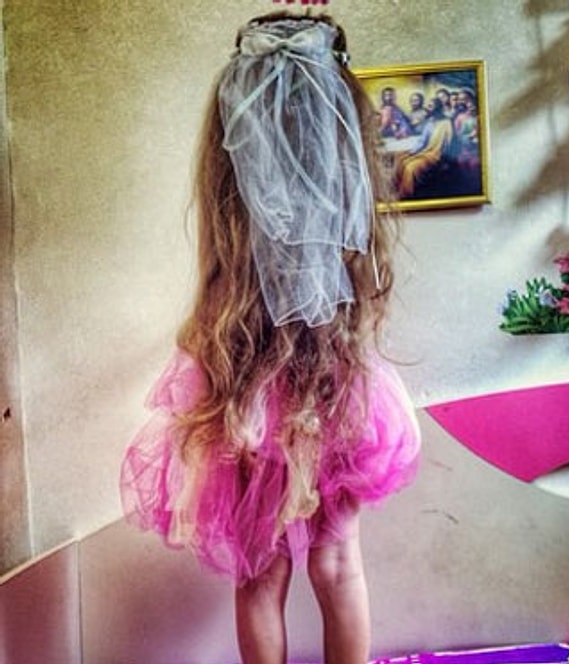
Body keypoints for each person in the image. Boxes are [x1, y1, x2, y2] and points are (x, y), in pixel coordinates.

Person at [120, 13, 421, 664]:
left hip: (245, 380)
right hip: (331, 376)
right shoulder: (343, 219)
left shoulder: (233, 226)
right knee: (337, 563)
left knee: (259, 573)